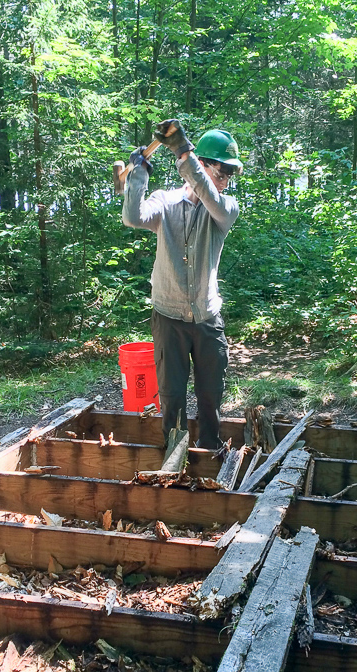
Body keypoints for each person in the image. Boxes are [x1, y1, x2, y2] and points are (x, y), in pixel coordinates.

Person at [122, 120, 242, 449]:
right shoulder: (165, 202)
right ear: (200, 167)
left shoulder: (225, 208)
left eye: (230, 176)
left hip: (206, 319)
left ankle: (210, 451)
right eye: (221, 173)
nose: (225, 182)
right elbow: (132, 217)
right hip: (168, 320)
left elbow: (211, 196)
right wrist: (139, 174)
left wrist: (183, 151)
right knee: (172, 398)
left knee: (210, 396)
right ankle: (174, 460)